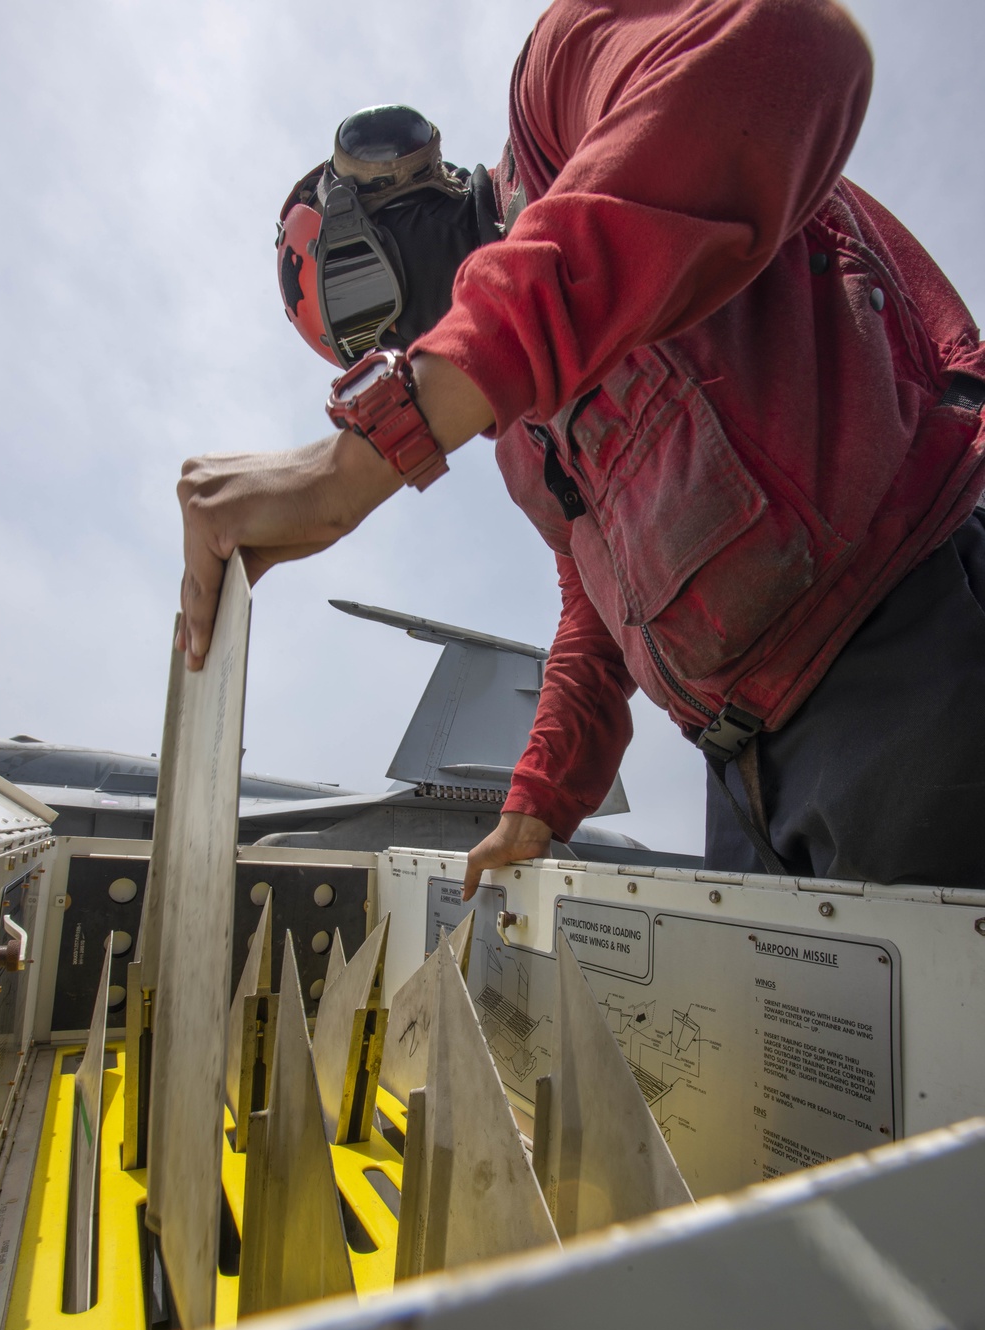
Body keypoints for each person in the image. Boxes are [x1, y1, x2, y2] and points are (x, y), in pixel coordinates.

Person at [177, 0, 985, 898]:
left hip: (912, 647)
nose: (404, 324)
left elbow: (793, 43)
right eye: (369, 337)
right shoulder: (522, 431)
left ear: (398, 176)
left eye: (363, 280)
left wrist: (354, 466)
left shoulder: (559, 100)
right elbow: (599, 610)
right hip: (746, 767)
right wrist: (539, 800)